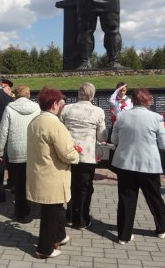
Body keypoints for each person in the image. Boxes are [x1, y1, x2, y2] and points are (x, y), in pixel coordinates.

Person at [111, 88, 165, 245]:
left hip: (125, 163)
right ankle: (161, 228)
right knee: (154, 197)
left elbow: (114, 139)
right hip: (148, 164)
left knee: (126, 199)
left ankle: (124, 235)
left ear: (134, 100)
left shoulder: (121, 116)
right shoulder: (156, 118)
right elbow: (164, 144)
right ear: (147, 101)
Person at [27, 87, 80, 259]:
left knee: (54, 209)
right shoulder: (55, 124)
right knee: (51, 212)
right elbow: (66, 153)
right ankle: (44, 249)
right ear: (55, 104)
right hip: (52, 174)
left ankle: (59, 236)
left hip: (40, 172)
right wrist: (77, 153)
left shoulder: (34, 121)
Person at [60, 82, 107, 229]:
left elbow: (60, 131)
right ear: (92, 95)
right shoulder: (98, 111)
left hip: (69, 153)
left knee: (70, 185)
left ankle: (69, 217)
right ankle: (81, 220)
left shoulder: (67, 109)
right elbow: (101, 137)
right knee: (85, 188)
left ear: (78, 93)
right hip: (87, 156)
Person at [0, 85, 40, 224]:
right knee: (31, 183)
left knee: (19, 184)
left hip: (15, 151)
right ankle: (30, 212)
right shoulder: (37, 108)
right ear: (28, 95)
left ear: (16, 94)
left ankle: (20, 213)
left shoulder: (10, 108)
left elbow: (3, 130)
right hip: (32, 150)